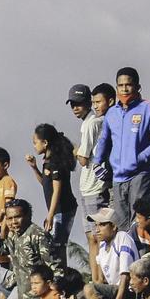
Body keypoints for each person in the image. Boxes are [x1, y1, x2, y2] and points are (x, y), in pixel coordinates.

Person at [92, 66, 150, 231]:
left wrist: (139, 158)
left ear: (137, 86)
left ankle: (143, 255)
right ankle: (129, 257)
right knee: (121, 227)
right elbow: (104, 140)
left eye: (129, 85)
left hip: (140, 175)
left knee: (140, 224)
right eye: (121, 85)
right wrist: (97, 163)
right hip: (118, 178)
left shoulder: (148, 108)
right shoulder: (112, 113)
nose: (125, 89)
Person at [0, 199, 63, 299]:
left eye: (17, 217)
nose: (13, 222)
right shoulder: (13, 235)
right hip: (19, 289)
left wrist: (49, 298)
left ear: (28, 216)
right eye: (9, 218)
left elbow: (56, 270)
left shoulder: (38, 236)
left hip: (35, 298)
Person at [82, 207, 140, 299]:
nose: (97, 229)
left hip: (129, 292)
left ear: (113, 226)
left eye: (102, 224)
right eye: (96, 225)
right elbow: (100, 280)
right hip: (114, 290)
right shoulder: (102, 246)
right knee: (80, 297)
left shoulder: (122, 237)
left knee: (89, 289)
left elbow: (125, 274)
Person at [24, 123, 78, 250]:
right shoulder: (47, 161)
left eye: (35, 142)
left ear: (45, 142)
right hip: (57, 210)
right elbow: (46, 184)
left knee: (56, 246)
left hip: (62, 209)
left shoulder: (55, 162)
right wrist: (35, 168)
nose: (34, 146)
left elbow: (57, 190)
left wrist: (50, 215)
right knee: (57, 245)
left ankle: (60, 270)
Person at [68, 83, 113, 228]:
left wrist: (73, 149)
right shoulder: (93, 121)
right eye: (72, 104)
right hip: (89, 186)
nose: (75, 108)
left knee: (96, 233)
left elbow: (82, 159)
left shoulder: (91, 123)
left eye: (79, 104)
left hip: (93, 186)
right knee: (93, 234)